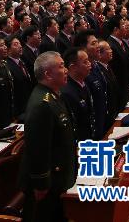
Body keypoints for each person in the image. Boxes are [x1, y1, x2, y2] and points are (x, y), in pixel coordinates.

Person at [19, 52, 77, 222]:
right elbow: (38, 148)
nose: (66, 70)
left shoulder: (53, 95)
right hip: (49, 182)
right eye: (61, 66)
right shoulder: (42, 104)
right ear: (48, 74)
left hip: (60, 174)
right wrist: (41, 183)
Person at [60, 47, 95, 142]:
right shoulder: (67, 92)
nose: (89, 64)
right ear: (73, 67)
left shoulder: (83, 82)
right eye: (85, 62)